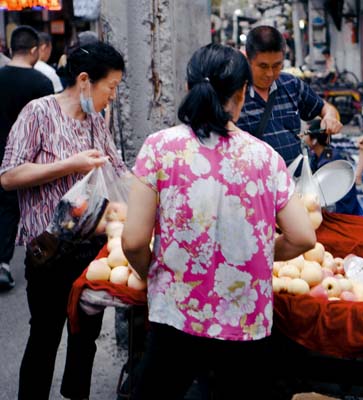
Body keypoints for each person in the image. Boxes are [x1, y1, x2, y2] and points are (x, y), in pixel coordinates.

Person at [121, 43, 316, 399]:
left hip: (175, 313)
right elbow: (304, 237)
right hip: (245, 323)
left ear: (188, 88)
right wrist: (260, 251)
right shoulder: (265, 158)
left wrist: (154, 274)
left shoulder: (159, 148)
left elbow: (133, 241)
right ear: (242, 95)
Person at [0, 41, 127, 400]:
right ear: (85, 80)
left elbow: (118, 170)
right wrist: (71, 165)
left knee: (84, 340)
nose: (112, 97)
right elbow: (9, 175)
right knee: (44, 336)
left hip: (93, 254)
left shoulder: (96, 123)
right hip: (49, 252)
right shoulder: (38, 112)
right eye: (111, 87)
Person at [236, 25, 343, 166]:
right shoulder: (236, 93)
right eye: (263, 66)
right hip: (256, 183)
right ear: (248, 60)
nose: (270, 73)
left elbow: (324, 107)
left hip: (296, 181)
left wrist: (330, 116)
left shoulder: (291, 84)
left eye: (276, 65)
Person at [0, 25, 54, 291]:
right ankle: (6, 263)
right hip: (28, 158)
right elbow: (49, 126)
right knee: (20, 208)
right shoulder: (41, 83)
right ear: (34, 50)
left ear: (11, 49)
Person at [303, 119, 360, 215]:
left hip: (342, 211)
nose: (303, 136)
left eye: (306, 133)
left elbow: (325, 199)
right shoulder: (320, 155)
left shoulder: (328, 163)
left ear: (314, 140)